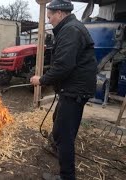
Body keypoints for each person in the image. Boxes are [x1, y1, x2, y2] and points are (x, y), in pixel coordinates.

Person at [30, 0, 97, 179]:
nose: (49, 20)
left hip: (75, 90)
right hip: (73, 88)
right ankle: (57, 146)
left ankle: (67, 176)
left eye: (50, 16)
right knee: (59, 126)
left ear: (60, 13)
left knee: (65, 135)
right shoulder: (71, 28)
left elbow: (64, 66)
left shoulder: (70, 30)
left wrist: (41, 80)